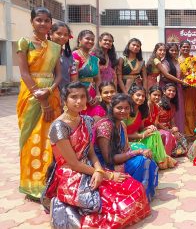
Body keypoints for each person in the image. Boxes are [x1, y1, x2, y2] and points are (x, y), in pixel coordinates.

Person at [42, 82, 150, 228]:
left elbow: (91, 152)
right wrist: (107, 175)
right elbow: (73, 163)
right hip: (70, 173)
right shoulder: (59, 126)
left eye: (82, 96)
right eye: (74, 97)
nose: (79, 101)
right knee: (110, 208)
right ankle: (61, 202)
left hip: (90, 168)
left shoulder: (85, 120)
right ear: (64, 100)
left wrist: (100, 170)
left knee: (135, 188)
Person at [16, 7, 62, 200]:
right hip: (31, 94)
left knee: (51, 139)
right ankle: (32, 185)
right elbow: (24, 73)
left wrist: (49, 91)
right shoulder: (24, 42)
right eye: (39, 20)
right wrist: (39, 94)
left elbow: (58, 74)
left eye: (46, 21)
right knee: (30, 139)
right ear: (32, 22)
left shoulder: (55, 46)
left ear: (51, 23)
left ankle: (50, 181)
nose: (43, 24)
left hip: (52, 92)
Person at [94, 93, 158, 201]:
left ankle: (143, 194)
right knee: (142, 161)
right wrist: (137, 152)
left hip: (119, 159)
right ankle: (137, 195)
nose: (123, 111)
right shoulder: (105, 126)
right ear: (112, 108)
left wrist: (141, 151)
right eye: (119, 108)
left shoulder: (122, 125)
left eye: (127, 108)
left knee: (147, 157)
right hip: (105, 165)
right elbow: (109, 159)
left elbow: (126, 149)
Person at [125, 85, 177, 169]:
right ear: (131, 95)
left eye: (142, 96)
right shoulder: (125, 111)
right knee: (159, 135)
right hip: (126, 143)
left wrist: (148, 128)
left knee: (154, 133)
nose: (141, 98)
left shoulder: (141, 111)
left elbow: (141, 128)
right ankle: (159, 161)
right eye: (138, 95)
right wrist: (141, 135)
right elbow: (122, 135)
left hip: (136, 137)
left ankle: (160, 161)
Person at [158, 43, 187, 132]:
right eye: (172, 50)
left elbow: (179, 75)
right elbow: (166, 75)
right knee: (166, 107)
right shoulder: (165, 62)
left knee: (177, 109)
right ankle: (167, 131)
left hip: (177, 88)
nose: (174, 52)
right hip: (167, 87)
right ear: (167, 51)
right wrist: (181, 82)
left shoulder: (176, 61)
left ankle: (178, 131)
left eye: (176, 50)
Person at [72, 30, 101, 116]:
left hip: (94, 94)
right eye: (87, 39)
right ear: (79, 40)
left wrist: (98, 94)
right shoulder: (74, 56)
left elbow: (98, 79)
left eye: (92, 40)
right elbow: (74, 80)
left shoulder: (95, 59)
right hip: (79, 93)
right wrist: (87, 96)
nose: (91, 41)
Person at [178, 40, 196, 137]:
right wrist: (182, 81)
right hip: (181, 88)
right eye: (184, 47)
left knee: (193, 109)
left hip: (193, 88)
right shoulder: (177, 60)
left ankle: (192, 131)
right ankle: (184, 131)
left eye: (188, 47)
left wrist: (194, 80)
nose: (186, 48)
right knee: (183, 109)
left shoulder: (194, 59)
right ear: (180, 48)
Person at [157, 83, 188, 157]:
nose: (172, 92)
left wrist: (175, 129)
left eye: (174, 91)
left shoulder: (173, 105)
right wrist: (168, 130)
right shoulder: (159, 104)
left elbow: (172, 120)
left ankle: (174, 152)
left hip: (168, 128)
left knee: (180, 137)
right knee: (170, 136)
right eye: (169, 90)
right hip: (159, 128)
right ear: (164, 91)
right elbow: (156, 122)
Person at [49, 21, 78, 92]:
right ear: (51, 34)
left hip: (64, 94)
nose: (62, 37)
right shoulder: (44, 52)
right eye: (59, 33)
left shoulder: (69, 55)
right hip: (47, 93)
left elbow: (73, 77)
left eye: (66, 35)